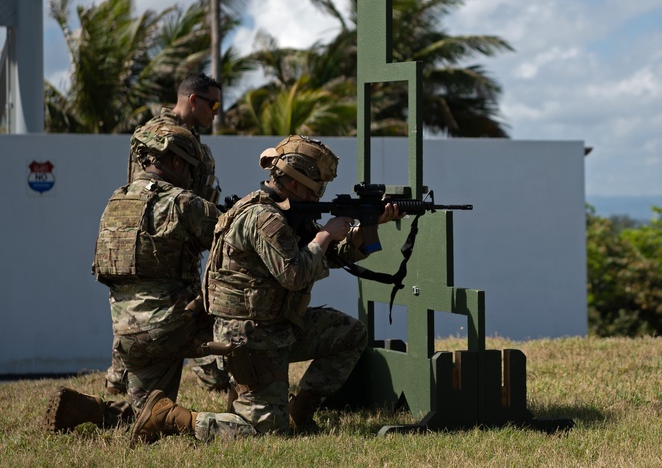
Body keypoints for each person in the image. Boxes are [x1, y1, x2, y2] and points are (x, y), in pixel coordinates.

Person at [130, 135, 402, 443]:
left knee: (349, 334)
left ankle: (298, 414)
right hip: (249, 339)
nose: (318, 195)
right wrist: (325, 235)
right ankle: (169, 416)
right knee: (264, 433)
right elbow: (295, 274)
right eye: (316, 187)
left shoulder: (284, 212)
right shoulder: (264, 217)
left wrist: (360, 231)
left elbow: (327, 255)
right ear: (296, 184)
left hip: (274, 326)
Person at [44, 125, 222, 433]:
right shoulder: (184, 203)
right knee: (250, 323)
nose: (193, 177)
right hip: (173, 328)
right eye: (191, 169)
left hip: (128, 336)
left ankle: (87, 410)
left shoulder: (117, 199)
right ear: (178, 163)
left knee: (146, 417)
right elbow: (236, 242)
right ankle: (257, 406)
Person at [104, 72, 226, 396]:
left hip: (187, 235)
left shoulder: (195, 140)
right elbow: (145, 193)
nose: (216, 111)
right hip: (163, 240)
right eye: (213, 103)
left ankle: (121, 384)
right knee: (155, 308)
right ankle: (120, 381)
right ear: (193, 100)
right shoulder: (155, 135)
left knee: (172, 309)